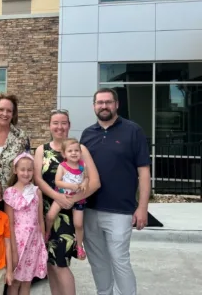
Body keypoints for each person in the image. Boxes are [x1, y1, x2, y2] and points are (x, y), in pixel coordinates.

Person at [80, 88, 151, 295]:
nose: (104, 106)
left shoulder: (133, 130)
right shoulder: (87, 134)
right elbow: (81, 172)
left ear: (116, 104)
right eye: (100, 102)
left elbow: (144, 172)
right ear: (94, 106)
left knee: (120, 260)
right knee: (98, 262)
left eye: (108, 102)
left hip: (120, 211)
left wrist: (143, 207)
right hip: (90, 210)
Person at [33, 110, 100, 295]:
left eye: (63, 123)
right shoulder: (42, 150)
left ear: (69, 125)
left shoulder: (79, 149)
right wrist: (57, 197)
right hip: (46, 212)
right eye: (55, 123)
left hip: (68, 214)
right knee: (50, 263)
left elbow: (94, 182)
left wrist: (70, 200)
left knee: (60, 263)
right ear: (49, 125)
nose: (59, 127)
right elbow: (38, 179)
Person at [3, 152, 47, 295]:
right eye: (22, 169)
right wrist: (13, 251)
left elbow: (40, 220)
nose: (26, 173)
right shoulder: (9, 193)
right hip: (18, 242)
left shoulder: (36, 192)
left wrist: (43, 242)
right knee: (15, 282)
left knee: (27, 281)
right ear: (15, 170)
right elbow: (9, 224)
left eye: (29, 170)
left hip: (34, 242)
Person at [45, 138, 88, 260]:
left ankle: (79, 246)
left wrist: (85, 182)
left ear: (80, 152)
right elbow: (58, 182)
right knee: (50, 216)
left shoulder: (82, 165)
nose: (74, 153)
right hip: (63, 196)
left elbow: (87, 177)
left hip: (78, 199)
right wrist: (70, 186)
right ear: (64, 154)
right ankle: (47, 233)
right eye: (70, 151)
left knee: (78, 224)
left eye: (76, 150)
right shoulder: (62, 166)